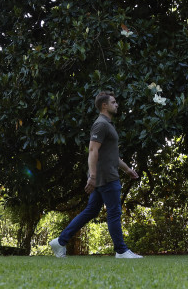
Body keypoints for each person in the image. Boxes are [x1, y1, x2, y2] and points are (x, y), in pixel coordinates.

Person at [49, 91, 143, 258]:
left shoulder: (107, 124)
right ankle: (121, 251)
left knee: (91, 211)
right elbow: (93, 150)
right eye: (113, 102)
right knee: (114, 212)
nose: (117, 105)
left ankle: (60, 241)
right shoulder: (101, 124)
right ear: (104, 105)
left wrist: (127, 169)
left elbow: (111, 155)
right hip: (106, 177)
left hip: (104, 175)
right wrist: (92, 176)